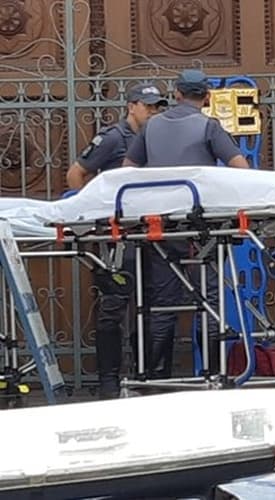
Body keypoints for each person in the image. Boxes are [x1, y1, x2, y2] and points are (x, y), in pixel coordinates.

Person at [123, 69, 249, 380]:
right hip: (202, 227)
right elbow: (240, 167)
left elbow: (128, 170)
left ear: (177, 94)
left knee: (162, 302)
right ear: (207, 97)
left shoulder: (150, 127)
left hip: (161, 226)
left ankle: (155, 376)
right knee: (209, 299)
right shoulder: (209, 126)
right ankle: (212, 373)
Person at [66, 83, 167, 398]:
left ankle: (146, 377)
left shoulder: (158, 138)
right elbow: (76, 173)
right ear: (131, 106)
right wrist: (92, 214)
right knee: (114, 305)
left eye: (157, 107)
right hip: (118, 237)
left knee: (151, 305)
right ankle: (109, 382)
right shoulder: (112, 138)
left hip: (152, 232)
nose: (153, 112)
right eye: (148, 106)